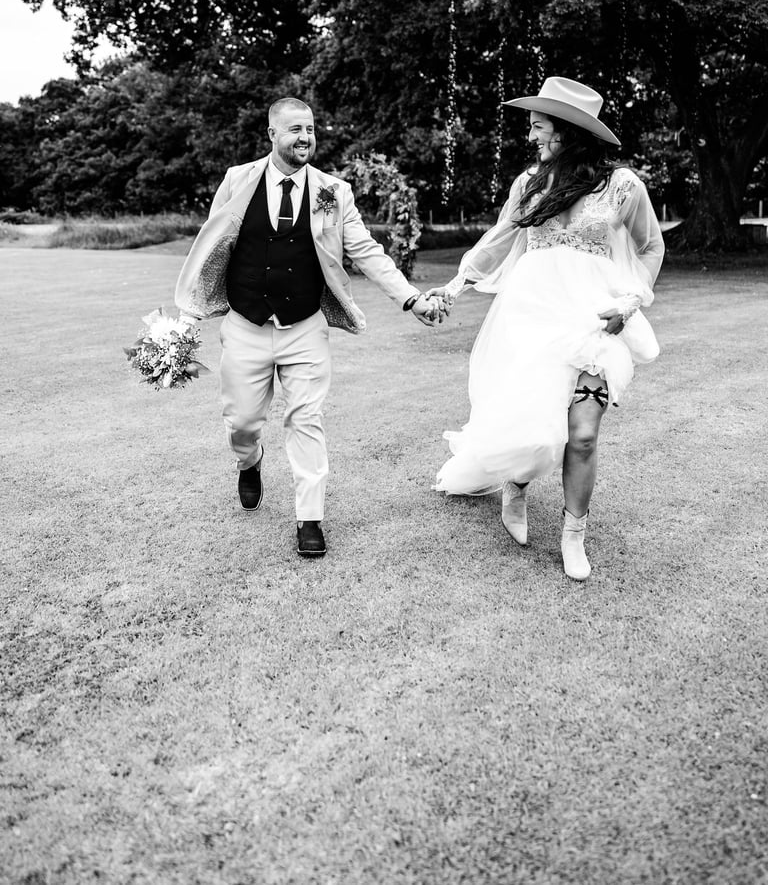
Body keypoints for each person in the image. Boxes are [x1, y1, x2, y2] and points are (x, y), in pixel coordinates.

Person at [175, 96, 443, 559]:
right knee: (241, 422)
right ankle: (250, 460)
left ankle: (310, 519)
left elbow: (367, 251)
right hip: (245, 325)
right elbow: (212, 245)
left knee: (306, 419)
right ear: (272, 134)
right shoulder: (238, 180)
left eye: (311, 129)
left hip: (304, 327)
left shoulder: (333, 192)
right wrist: (187, 317)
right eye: (295, 129)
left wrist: (410, 297)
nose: (305, 138)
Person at [428, 76, 664, 580]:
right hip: (531, 318)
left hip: (597, 321)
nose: (532, 134)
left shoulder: (623, 186)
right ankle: (514, 491)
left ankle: (573, 534)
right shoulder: (529, 183)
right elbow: (498, 239)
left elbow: (651, 247)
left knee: (581, 433)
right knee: (535, 426)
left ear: (567, 130)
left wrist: (633, 299)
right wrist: (455, 284)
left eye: (538, 125)